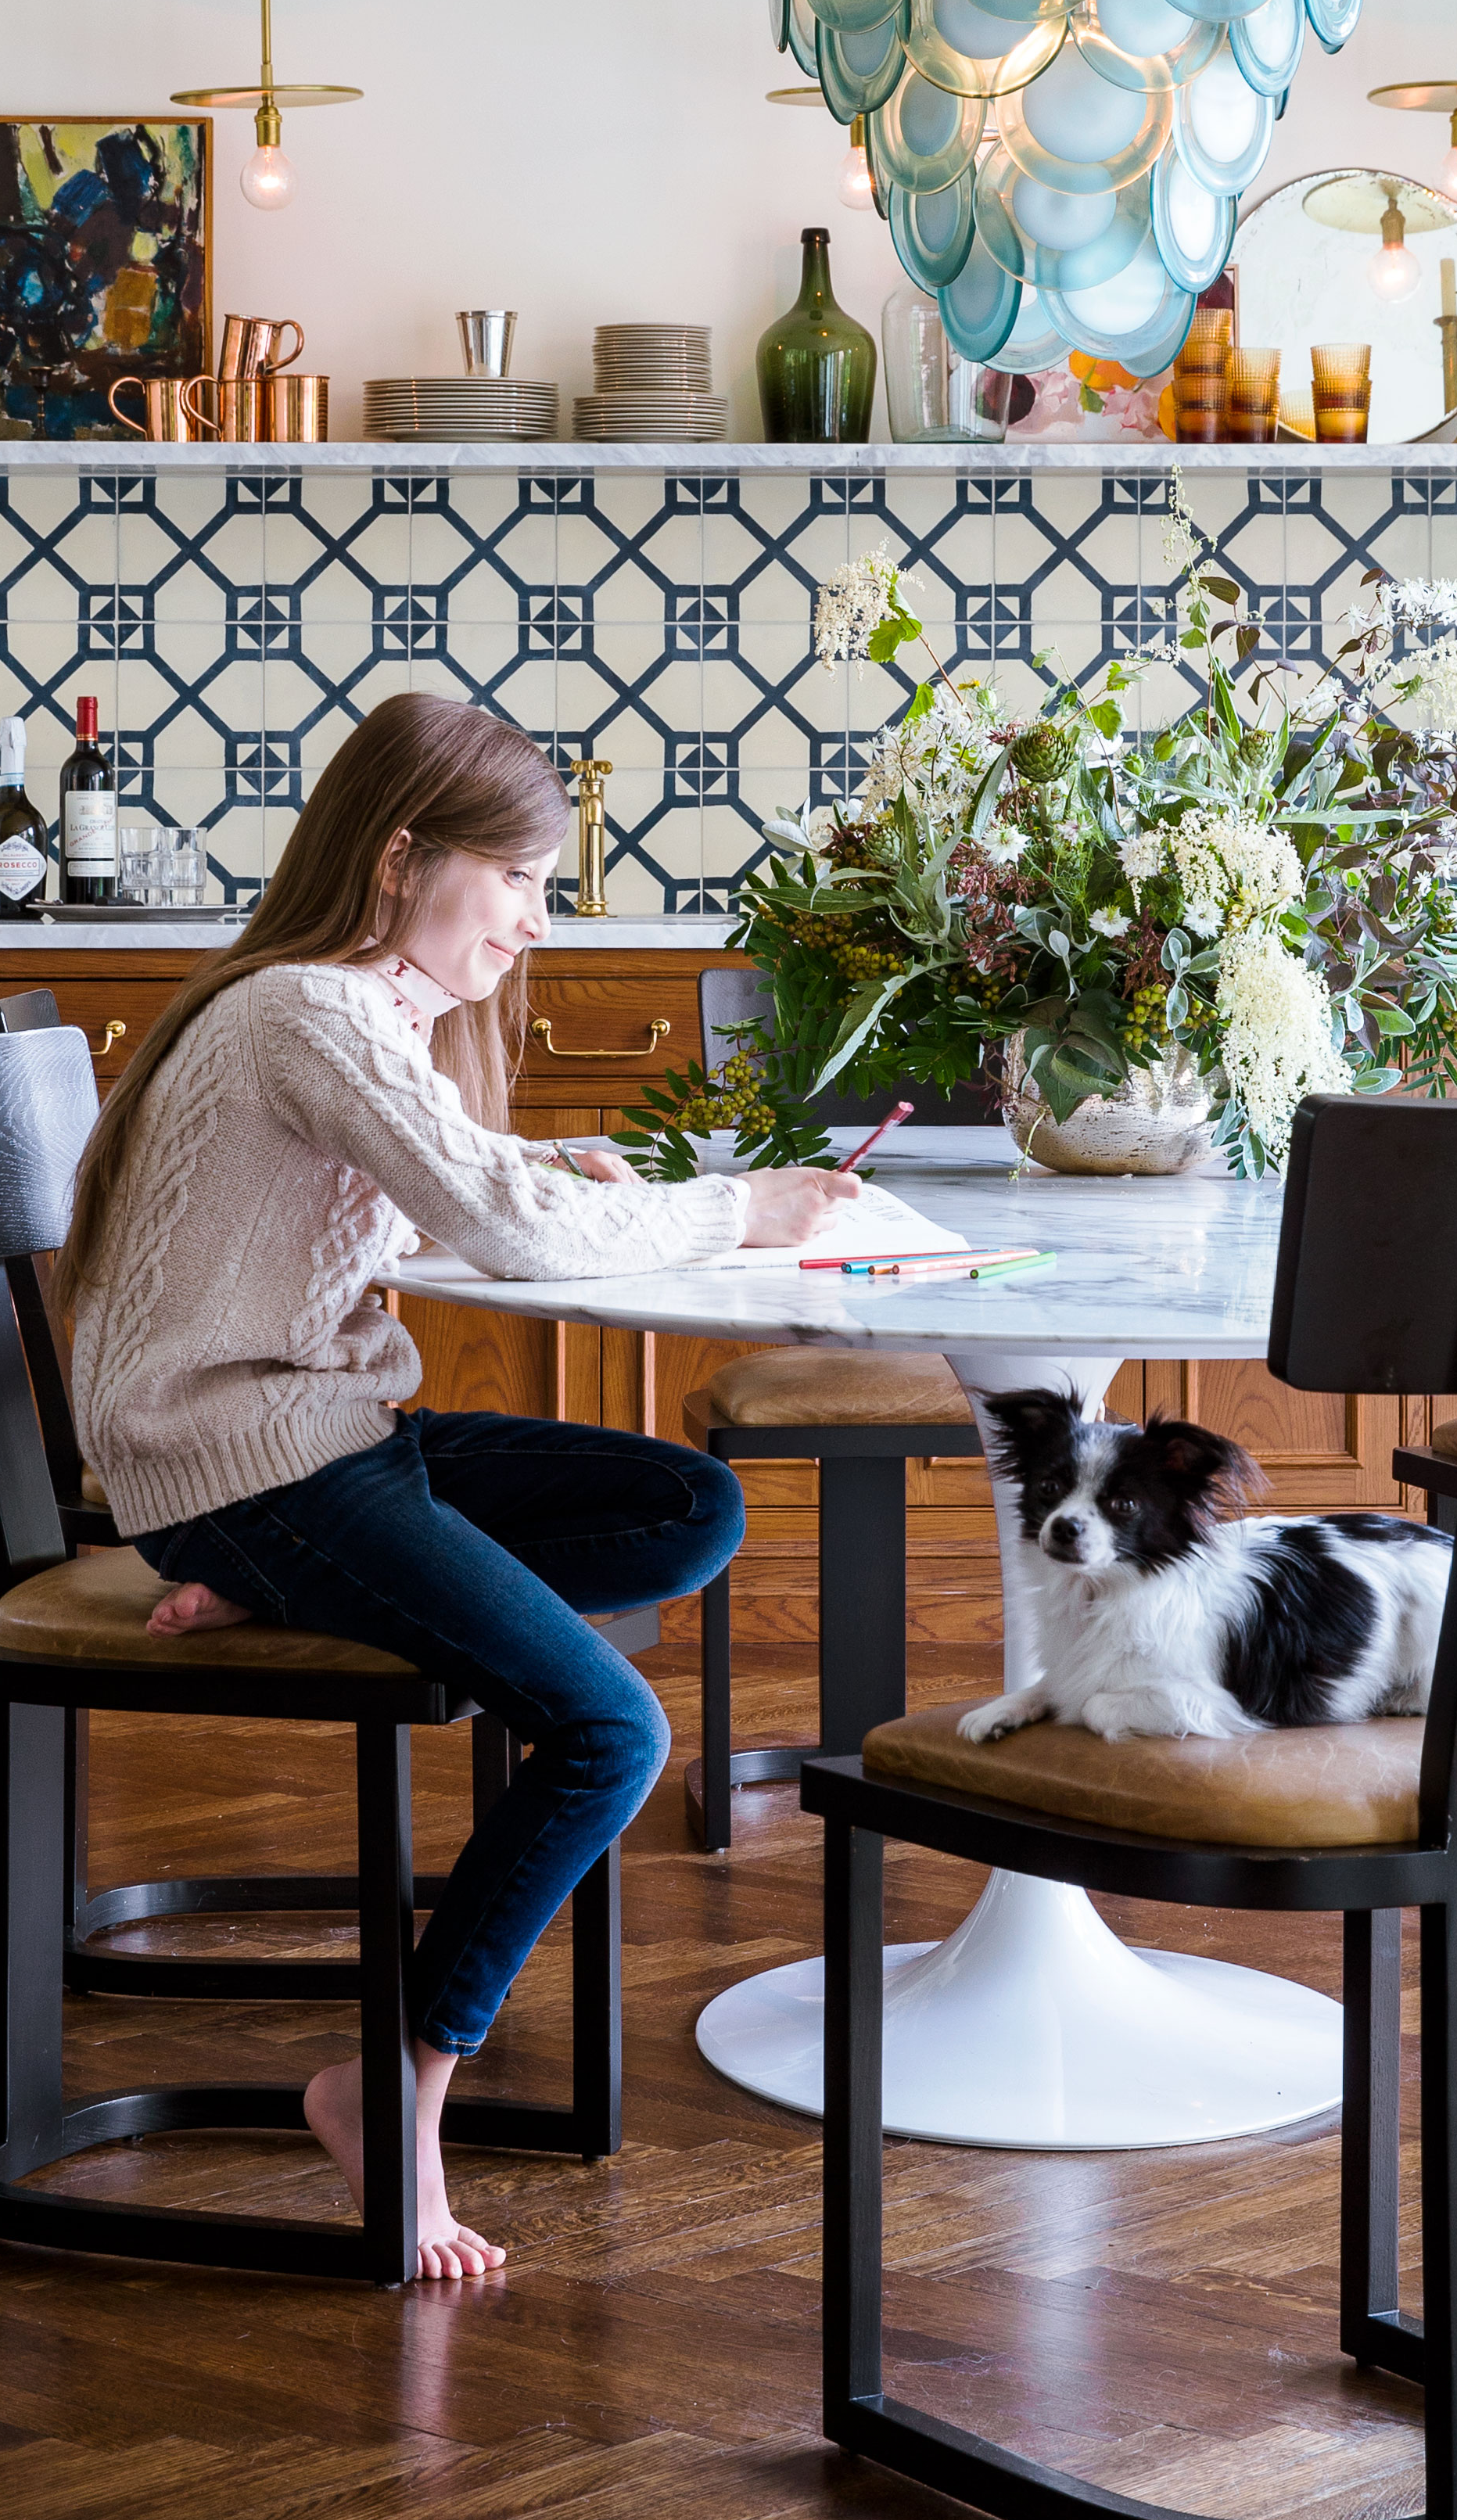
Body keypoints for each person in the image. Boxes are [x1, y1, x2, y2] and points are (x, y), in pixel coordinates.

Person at [55, 697, 859, 2278]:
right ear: (406, 854)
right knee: (610, 1730)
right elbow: (507, 1237)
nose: (533, 925)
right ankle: (396, 2084)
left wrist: (557, 1171)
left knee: (687, 1506)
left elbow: (443, 1196)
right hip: (251, 1459)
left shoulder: (335, 1009)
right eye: (522, 883)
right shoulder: (314, 1011)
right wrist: (738, 1209)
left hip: (311, 1443)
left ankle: (294, 1581)